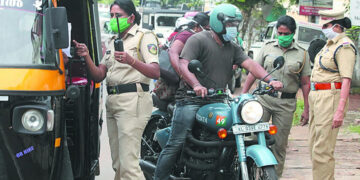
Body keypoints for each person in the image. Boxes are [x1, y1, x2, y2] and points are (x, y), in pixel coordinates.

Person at [154, 4, 283, 180]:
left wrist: (270, 80)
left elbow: (250, 64)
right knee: (175, 143)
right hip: (191, 99)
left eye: (236, 24)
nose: (233, 28)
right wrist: (196, 84)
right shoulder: (198, 39)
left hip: (219, 99)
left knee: (233, 134)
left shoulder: (233, 46)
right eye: (230, 24)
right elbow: (184, 64)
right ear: (218, 22)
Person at [73, 0, 160, 179]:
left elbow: (155, 72)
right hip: (113, 102)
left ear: (131, 17)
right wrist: (87, 55)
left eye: (118, 15)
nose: (113, 19)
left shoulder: (144, 36)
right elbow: (98, 75)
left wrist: (131, 60)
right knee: (118, 164)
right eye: (111, 15)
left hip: (133, 101)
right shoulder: (113, 41)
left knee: (129, 165)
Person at [240, 15, 311, 177]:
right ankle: (249, 173)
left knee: (279, 145)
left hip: (286, 103)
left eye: (286, 34)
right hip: (263, 100)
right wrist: (243, 95)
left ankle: (274, 176)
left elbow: (306, 83)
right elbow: (253, 71)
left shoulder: (303, 54)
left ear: (293, 33)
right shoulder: (267, 47)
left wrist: (307, 109)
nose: (282, 37)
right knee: (252, 138)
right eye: (279, 33)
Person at [308, 10, 356, 180]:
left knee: (322, 150)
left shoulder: (344, 47)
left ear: (337, 26)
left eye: (326, 25)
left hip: (330, 97)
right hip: (317, 96)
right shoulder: (329, 45)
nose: (323, 28)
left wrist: (340, 110)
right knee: (313, 146)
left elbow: (346, 80)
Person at [169, 12, 210, 77]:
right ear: (197, 26)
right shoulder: (186, 35)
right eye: (206, 29)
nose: (208, 32)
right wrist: (183, 75)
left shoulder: (195, 36)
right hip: (174, 79)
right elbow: (173, 52)